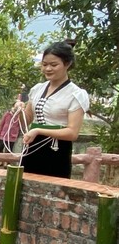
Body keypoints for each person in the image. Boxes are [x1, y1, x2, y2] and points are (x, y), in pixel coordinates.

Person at [21, 41, 89, 179]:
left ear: (67, 64)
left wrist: (39, 130)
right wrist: (18, 110)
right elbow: (25, 121)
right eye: (44, 64)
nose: (47, 69)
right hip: (32, 146)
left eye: (54, 65)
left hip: (57, 150)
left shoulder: (75, 94)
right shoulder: (37, 89)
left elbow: (72, 133)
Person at [0, 100, 22, 167]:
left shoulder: (20, 115)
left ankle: (6, 163)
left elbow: (21, 126)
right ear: (13, 105)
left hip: (12, 136)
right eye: (16, 105)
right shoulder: (7, 113)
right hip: (3, 135)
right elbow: (1, 123)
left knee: (9, 150)